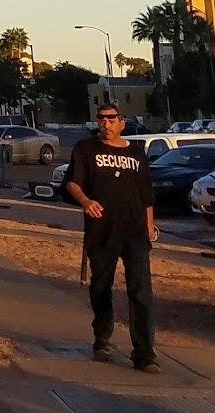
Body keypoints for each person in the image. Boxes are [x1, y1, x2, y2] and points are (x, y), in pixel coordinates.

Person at [62, 105, 157, 372]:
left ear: (121, 123)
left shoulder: (136, 153)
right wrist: (85, 201)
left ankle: (145, 354)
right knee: (101, 286)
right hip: (102, 230)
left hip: (135, 231)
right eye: (102, 119)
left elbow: (147, 195)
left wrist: (149, 228)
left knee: (141, 291)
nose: (106, 123)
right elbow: (72, 182)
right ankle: (102, 336)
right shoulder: (86, 149)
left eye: (111, 119)